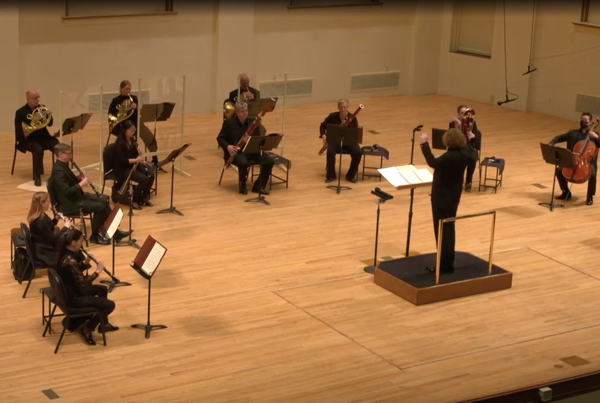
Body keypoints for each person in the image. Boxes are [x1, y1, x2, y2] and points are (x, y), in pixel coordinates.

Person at [49, 143, 131, 245]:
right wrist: (81, 184)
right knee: (100, 207)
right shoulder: (58, 171)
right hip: (69, 204)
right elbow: (66, 191)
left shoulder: (63, 166)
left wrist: (78, 177)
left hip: (76, 197)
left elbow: (69, 181)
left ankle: (114, 232)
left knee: (103, 200)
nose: (70, 156)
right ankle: (94, 236)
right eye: (68, 154)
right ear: (60, 154)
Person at [420, 128, 477, 274]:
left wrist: (424, 145)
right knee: (449, 228)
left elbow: (432, 162)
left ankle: (444, 265)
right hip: (454, 196)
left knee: (440, 230)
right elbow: (473, 153)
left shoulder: (449, 157)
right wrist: (472, 140)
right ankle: (447, 262)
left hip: (441, 197)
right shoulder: (466, 154)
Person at [55, 228, 118, 346]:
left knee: (102, 289)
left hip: (72, 289)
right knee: (110, 305)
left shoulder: (65, 254)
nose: (81, 244)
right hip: (74, 297)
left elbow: (73, 273)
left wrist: (84, 263)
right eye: (80, 241)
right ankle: (88, 327)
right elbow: (83, 283)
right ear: (73, 243)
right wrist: (97, 272)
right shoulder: (71, 260)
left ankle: (104, 324)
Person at [217, 101, 274, 195]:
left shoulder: (253, 121)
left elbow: (258, 137)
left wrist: (250, 139)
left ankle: (259, 186)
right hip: (236, 152)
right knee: (243, 163)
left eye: (246, 110)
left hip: (251, 150)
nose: (245, 113)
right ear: (237, 112)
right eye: (242, 111)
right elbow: (220, 138)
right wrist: (228, 146)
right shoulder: (229, 123)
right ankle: (242, 186)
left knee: (269, 161)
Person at [108, 80, 163, 171]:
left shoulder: (133, 98)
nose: (128, 91)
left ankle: (155, 161)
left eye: (129, 89)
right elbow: (112, 115)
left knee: (150, 138)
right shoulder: (116, 101)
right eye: (126, 89)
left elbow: (137, 114)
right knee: (132, 143)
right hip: (125, 125)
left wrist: (136, 107)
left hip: (136, 122)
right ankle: (134, 162)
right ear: (121, 89)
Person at [549, 112, 600, 205]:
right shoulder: (573, 133)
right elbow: (559, 137)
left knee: (592, 174)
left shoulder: (595, 134)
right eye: (582, 119)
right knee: (559, 170)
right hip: (572, 159)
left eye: (585, 120)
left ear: (590, 122)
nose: (583, 121)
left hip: (588, 162)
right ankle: (565, 192)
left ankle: (590, 196)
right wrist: (551, 143)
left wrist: (596, 137)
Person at [14, 90, 59, 186]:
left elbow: (50, 124)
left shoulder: (41, 108)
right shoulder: (20, 112)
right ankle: (37, 175)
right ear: (28, 99)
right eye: (35, 98)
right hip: (29, 139)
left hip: (43, 137)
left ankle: (61, 172)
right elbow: (19, 131)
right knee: (38, 149)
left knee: (58, 146)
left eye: (38, 97)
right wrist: (30, 131)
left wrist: (48, 115)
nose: (37, 100)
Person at [113, 120, 155, 210]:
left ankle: (144, 197)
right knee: (144, 179)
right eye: (131, 131)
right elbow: (122, 161)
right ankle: (134, 201)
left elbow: (133, 153)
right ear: (125, 130)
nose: (133, 133)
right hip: (123, 169)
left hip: (132, 164)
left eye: (134, 130)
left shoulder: (132, 139)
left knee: (151, 175)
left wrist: (139, 152)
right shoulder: (120, 143)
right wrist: (137, 159)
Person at [319, 99, 362, 183]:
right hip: (335, 140)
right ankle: (331, 175)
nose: (343, 109)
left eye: (345, 107)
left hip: (349, 141)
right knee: (330, 151)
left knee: (357, 152)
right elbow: (322, 125)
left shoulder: (352, 117)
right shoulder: (332, 116)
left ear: (348, 107)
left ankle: (350, 175)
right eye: (341, 107)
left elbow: (355, 131)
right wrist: (323, 135)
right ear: (338, 107)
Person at [27, 191, 73, 267]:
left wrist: (55, 219)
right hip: (45, 251)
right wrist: (65, 227)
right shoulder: (40, 220)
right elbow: (52, 239)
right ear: (42, 203)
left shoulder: (38, 215)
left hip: (43, 245)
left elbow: (46, 229)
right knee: (70, 244)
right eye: (47, 201)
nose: (49, 203)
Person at [449, 105, 482, 191]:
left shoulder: (472, 123)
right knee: (459, 159)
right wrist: (459, 129)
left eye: (465, 113)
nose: (463, 115)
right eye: (461, 113)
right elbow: (450, 139)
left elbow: (476, 140)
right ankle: (457, 181)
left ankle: (468, 181)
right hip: (457, 148)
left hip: (469, 147)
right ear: (458, 114)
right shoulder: (453, 124)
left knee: (473, 158)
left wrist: (473, 136)